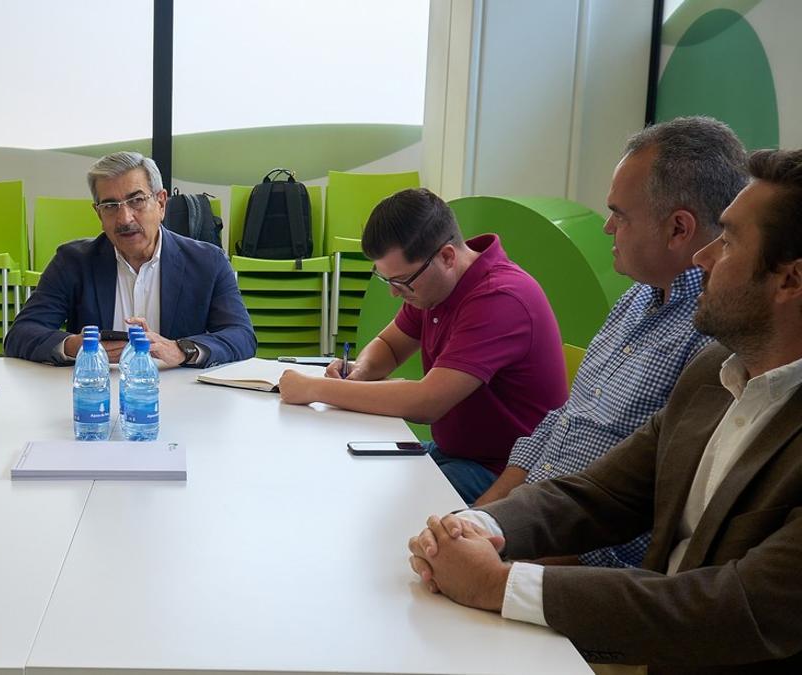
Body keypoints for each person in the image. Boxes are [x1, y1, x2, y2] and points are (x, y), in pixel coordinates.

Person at [407, 148, 802, 673]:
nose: (704, 257)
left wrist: (499, 583)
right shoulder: (715, 372)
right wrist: (477, 527)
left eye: (727, 242)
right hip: (635, 635)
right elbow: (600, 494)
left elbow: (738, 607)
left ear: (790, 280)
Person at [473, 116, 747, 570]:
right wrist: (476, 521)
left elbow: (640, 515)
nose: (606, 228)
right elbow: (562, 423)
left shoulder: (714, 337)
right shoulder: (635, 297)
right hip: (526, 531)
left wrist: (506, 576)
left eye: (619, 215)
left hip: (567, 569)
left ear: (678, 229)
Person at [277, 188, 566, 503]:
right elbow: (389, 345)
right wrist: (361, 371)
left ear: (447, 257)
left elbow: (426, 402)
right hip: (454, 453)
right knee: (344, 476)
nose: (395, 293)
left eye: (401, 281)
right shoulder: (433, 284)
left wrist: (315, 389)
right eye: (387, 280)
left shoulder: (499, 298)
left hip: (501, 471)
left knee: (367, 499)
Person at [4, 151, 256, 367]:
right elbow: (21, 334)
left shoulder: (208, 262)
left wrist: (181, 350)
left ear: (161, 203)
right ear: (98, 214)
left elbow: (242, 336)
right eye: (110, 206)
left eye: (136, 201)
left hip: (181, 394)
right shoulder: (72, 262)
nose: (124, 218)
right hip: (97, 394)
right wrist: (76, 347)